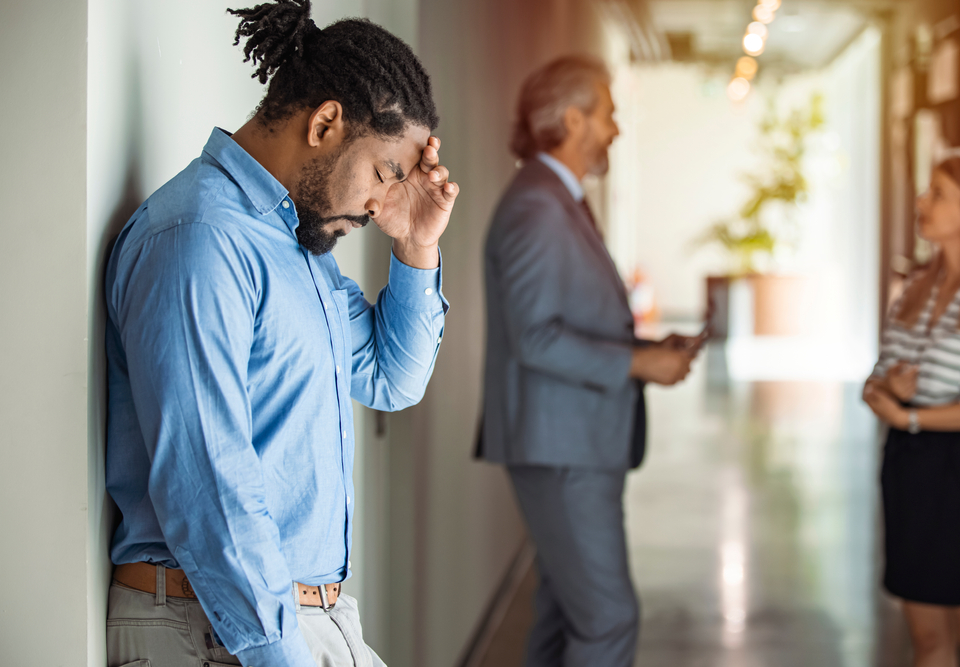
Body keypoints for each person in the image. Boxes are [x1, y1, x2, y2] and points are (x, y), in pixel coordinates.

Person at [104, 3, 458, 666]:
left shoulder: (297, 246)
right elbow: (208, 486)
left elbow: (391, 378)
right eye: (387, 171)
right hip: (215, 630)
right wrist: (280, 653)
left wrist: (416, 243)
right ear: (325, 123)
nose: (384, 202)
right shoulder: (200, 239)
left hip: (302, 620)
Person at [477, 56, 701, 667]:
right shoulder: (537, 206)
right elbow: (536, 339)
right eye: (608, 115)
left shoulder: (557, 199)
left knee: (564, 613)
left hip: (572, 443)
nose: (615, 129)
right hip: (561, 448)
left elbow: (566, 321)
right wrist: (638, 367)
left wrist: (647, 351)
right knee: (608, 620)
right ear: (573, 120)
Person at [863, 157, 960, 667]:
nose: (922, 203)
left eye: (938, 194)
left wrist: (910, 416)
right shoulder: (913, 291)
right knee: (926, 639)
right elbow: (877, 375)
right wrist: (886, 389)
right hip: (911, 470)